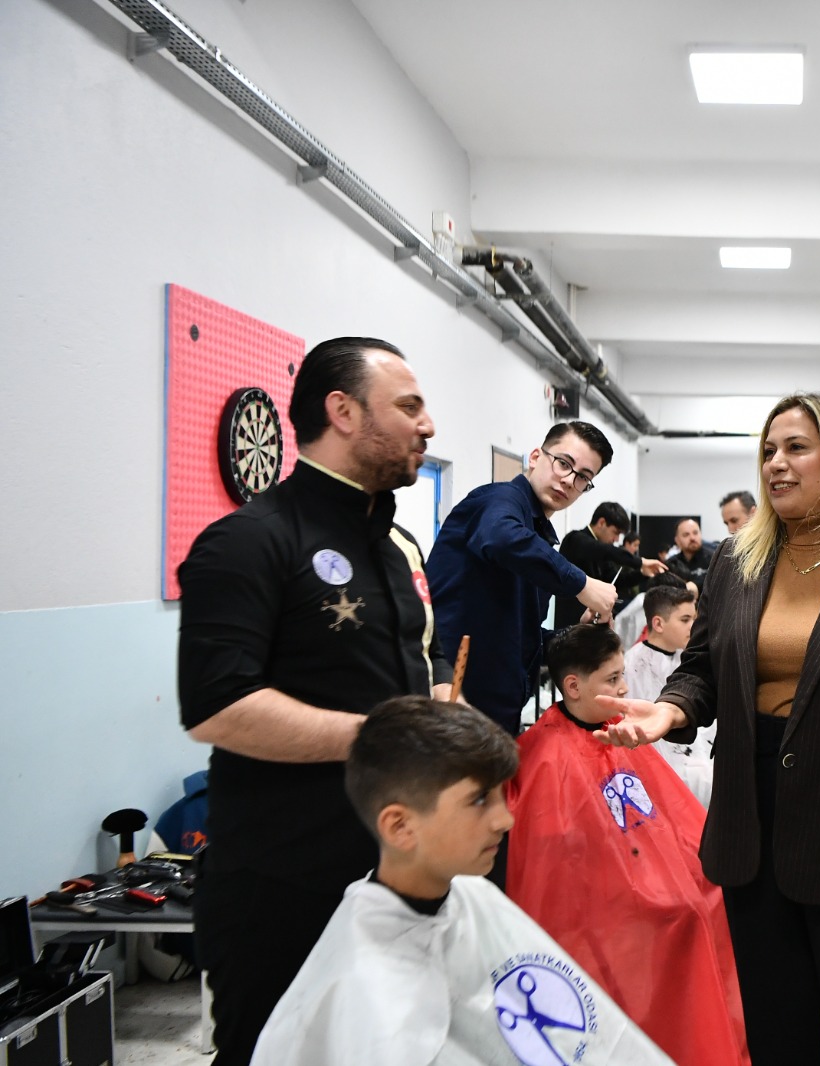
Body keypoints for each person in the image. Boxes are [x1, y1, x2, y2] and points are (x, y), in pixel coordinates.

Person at [591, 393, 820, 1066]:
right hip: (752, 824)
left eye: (796, 448)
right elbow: (704, 666)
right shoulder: (739, 562)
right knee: (775, 1035)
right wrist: (671, 709)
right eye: (768, 450)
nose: (777, 464)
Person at [177, 336, 451, 1065]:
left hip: (395, 868)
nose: (427, 426)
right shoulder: (249, 541)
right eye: (410, 407)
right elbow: (217, 707)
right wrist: (386, 737)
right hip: (283, 881)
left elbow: (411, 667)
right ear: (344, 411)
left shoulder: (394, 547)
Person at [251, 696, 672, 1066]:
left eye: (500, 794)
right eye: (478, 800)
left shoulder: (472, 895)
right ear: (400, 826)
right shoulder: (367, 998)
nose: (505, 819)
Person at [505, 626, 749, 1066]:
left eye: (622, 676)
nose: (624, 688)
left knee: (714, 896)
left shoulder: (620, 731)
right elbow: (558, 867)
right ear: (573, 685)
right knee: (681, 919)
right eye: (613, 679)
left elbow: (672, 820)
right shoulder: (542, 755)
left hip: (643, 873)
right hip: (599, 903)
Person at [426, 420, 620, 738]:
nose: (569, 480)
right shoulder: (498, 500)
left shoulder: (539, 541)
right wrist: (583, 584)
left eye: (584, 477)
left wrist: (576, 635)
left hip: (498, 716)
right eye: (563, 463)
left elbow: (524, 640)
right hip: (455, 705)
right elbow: (500, 536)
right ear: (534, 458)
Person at [625, 585, 715, 806]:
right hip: (659, 761)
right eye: (685, 620)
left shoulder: (690, 661)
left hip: (695, 752)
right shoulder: (632, 665)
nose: (693, 627)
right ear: (658, 623)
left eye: (695, 618)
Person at [554, 500, 666, 628]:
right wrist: (640, 562)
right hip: (571, 623)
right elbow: (605, 550)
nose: (617, 539)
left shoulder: (601, 550)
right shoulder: (575, 539)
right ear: (602, 523)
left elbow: (616, 580)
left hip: (593, 624)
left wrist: (642, 573)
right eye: (616, 532)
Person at [665, 517, 716, 584]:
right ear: (677, 540)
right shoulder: (671, 564)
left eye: (695, 533)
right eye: (686, 535)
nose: (692, 538)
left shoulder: (714, 559)